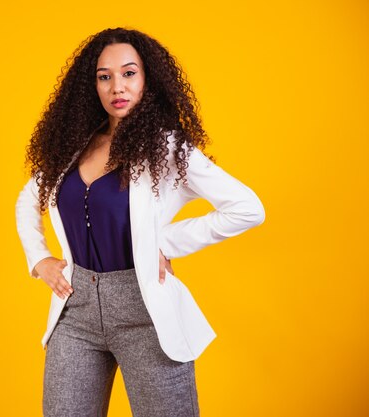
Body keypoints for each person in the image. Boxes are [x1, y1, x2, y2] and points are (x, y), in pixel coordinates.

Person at [15, 27, 265, 417]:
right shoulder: (74, 145)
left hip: (144, 312)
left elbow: (247, 207)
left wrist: (165, 242)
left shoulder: (168, 149)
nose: (118, 85)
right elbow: (27, 199)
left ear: (148, 80)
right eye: (105, 76)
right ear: (92, 85)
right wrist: (39, 258)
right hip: (75, 311)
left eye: (129, 73)